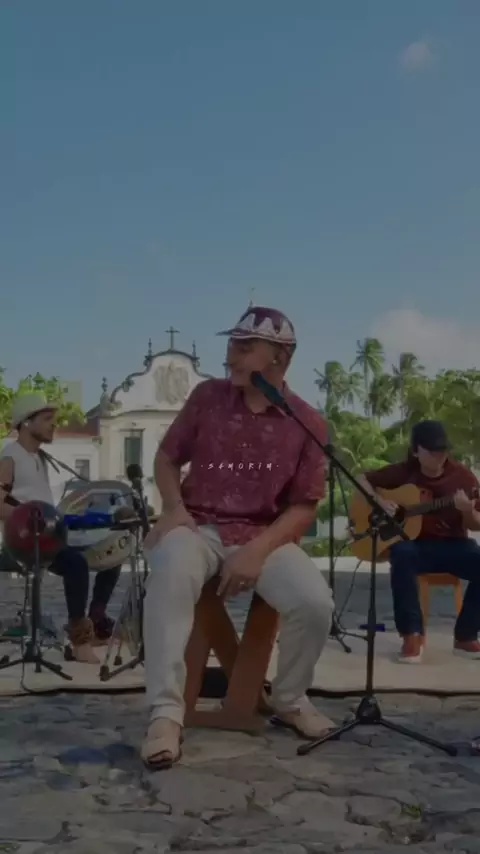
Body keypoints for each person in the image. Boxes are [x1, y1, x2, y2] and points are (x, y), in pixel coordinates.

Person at [141, 306, 335, 770]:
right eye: (231, 344)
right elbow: (167, 458)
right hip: (197, 525)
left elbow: (304, 505)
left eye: (245, 347)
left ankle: (289, 698)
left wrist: (255, 552)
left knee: (314, 603)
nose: (231, 355)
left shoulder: (308, 421)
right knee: (170, 573)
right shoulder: (207, 396)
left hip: (263, 535)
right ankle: (165, 714)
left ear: (280, 357)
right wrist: (174, 508)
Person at [0, 393, 123, 662]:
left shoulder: (39, 457)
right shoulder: (10, 457)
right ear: (26, 423)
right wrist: (32, 518)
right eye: (46, 419)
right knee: (75, 565)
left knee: (113, 550)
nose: (53, 425)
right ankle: (79, 642)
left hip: (50, 538)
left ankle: (97, 618)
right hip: (26, 542)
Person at [358, 419, 480, 664]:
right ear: (416, 451)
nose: (439, 456)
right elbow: (361, 478)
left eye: (442, 450)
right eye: (432, 451)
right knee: (401, 553)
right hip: (414, 546)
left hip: (452, 545)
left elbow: (476, 524)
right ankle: (411, 635)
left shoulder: (463, 478)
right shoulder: (404, 472)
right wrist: (379, 502)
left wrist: (467, 511)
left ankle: (466, 636)